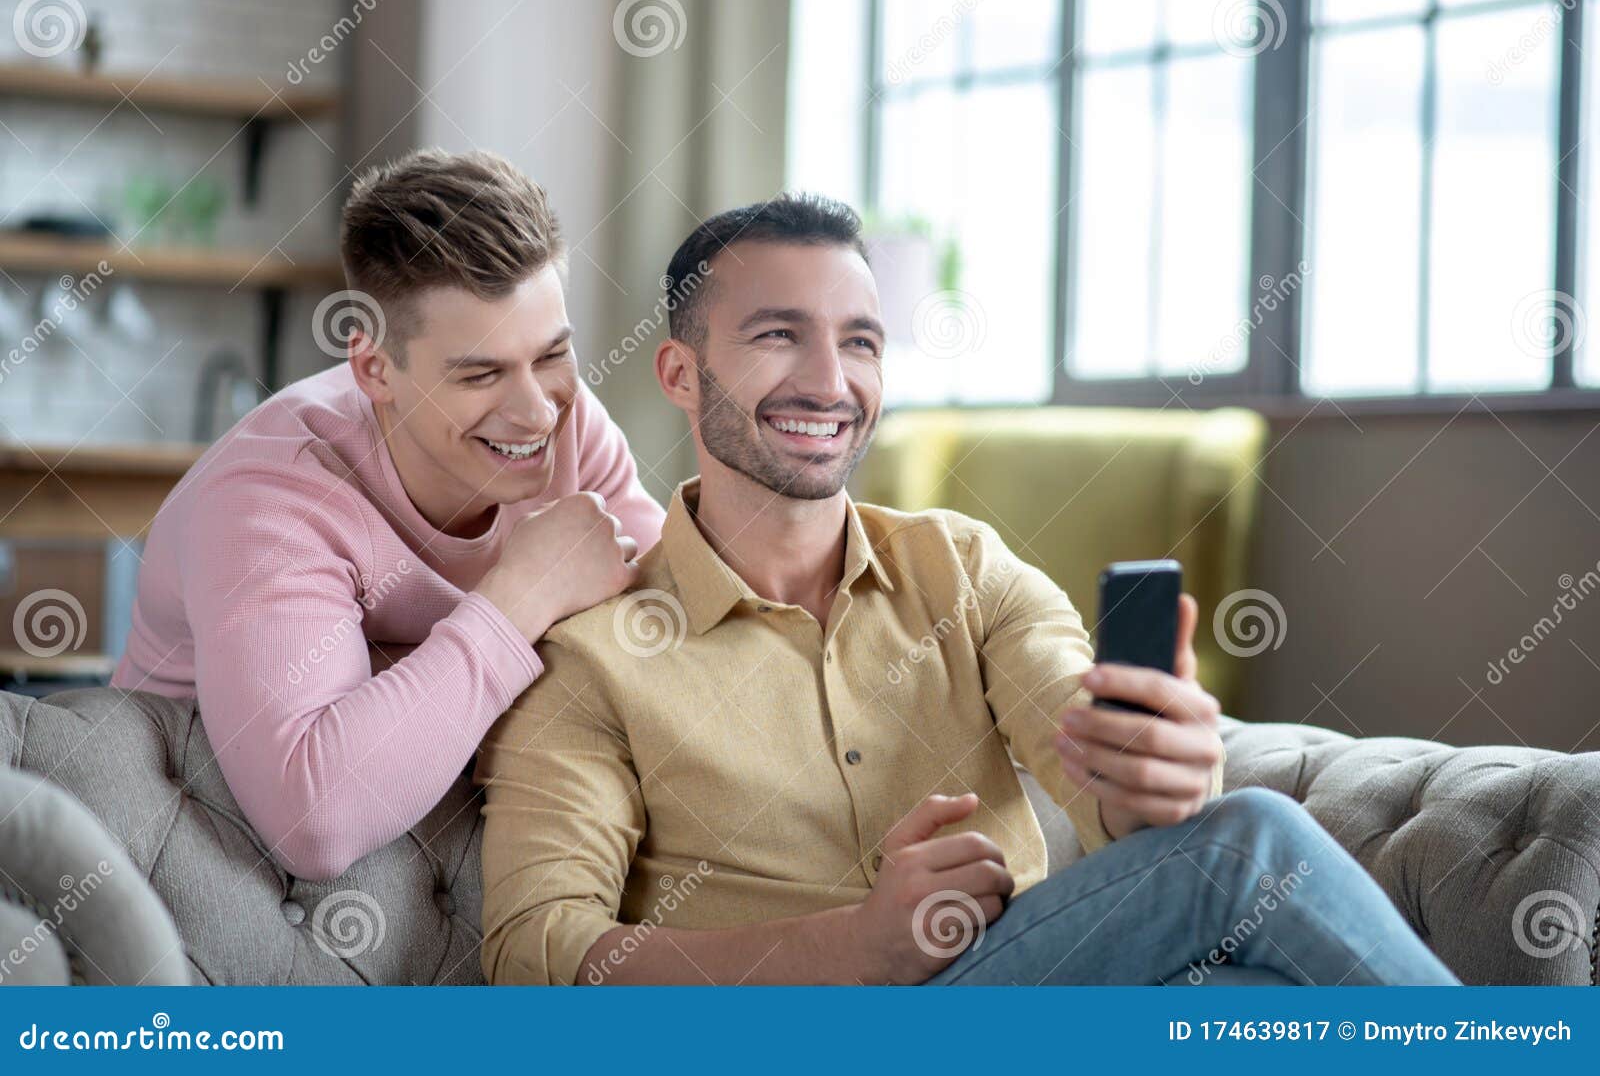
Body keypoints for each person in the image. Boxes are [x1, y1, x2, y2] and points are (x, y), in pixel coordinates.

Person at [474, 193, 1457, 986]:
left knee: (1254, 977)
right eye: (779, 335)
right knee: (1250, 846)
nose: (830, 380)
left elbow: (1091, 757)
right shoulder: (592, 657)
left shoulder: (964, 567)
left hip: (1013, 984)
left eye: (860, 341)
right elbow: (535, 949)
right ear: (680, 374)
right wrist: (846, 948)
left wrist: (1153, 771)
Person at [114, 149, 663, 880]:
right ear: (374, 367)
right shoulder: (268, 499)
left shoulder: (564, 420)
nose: (535, 409)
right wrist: (525, 593)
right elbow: (317, 818)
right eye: (482, 373)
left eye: (552, 355)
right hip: (208, 876)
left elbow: (673, 636)